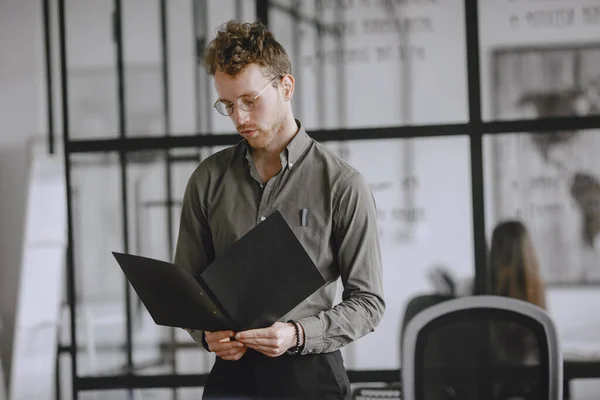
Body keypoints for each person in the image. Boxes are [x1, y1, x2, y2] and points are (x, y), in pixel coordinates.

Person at [173, 20, 385, 399]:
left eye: (250, 101)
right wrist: (206, 335)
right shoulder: (207, 180)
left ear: (286, 87)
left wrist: (298, 334)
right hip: (231, 380)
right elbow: (188, 288)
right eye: (228, 105)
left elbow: (369, 303)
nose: (239, 118)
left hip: (311, 377)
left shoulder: (342, 184)